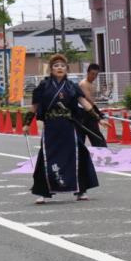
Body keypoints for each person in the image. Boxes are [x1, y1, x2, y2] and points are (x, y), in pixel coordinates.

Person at [31, 54, 99, 204]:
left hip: (68, 126)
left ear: (67, 69)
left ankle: (81, 190)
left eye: (62, 66)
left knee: (79, 154)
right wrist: (25, 123)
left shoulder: (72, 86)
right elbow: (35, 106)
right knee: (46, 157)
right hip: (51, 127)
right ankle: (42, 192)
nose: (59, 68)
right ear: (51, 69)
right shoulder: (44, 86)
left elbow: (84, 103)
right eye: (56, 66)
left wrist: (98, 117)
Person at [74, 63, 107, 148]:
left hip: (89, 112)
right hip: (82, 114)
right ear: (88, 72)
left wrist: (98, 113)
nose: (94, 76)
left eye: (96, 74)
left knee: (96, 138)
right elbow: (89, 100)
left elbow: (92, 101)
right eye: (92, 74)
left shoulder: (92, 84)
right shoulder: (84, 84)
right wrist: (98, 113)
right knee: (92, 138)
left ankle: (101, 152)